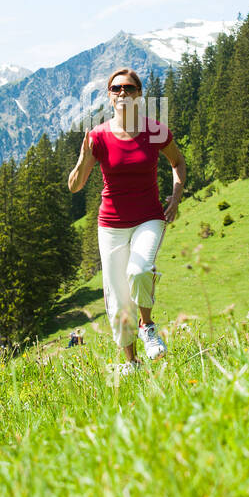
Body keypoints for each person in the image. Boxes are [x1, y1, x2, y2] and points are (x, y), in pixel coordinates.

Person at [67, 67, 186, 375]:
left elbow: (178, 162)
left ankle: (148, 326)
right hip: (111, 224)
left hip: (149, 216)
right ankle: (131, 362)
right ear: (110, 96)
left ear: (139, 95)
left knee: (140, 269)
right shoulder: (98, 136)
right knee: (118, 297)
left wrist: (177, 194)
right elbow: (75, 186)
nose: (123, 93)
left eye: (129, 88)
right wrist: (83, 155)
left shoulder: (155, 131)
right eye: (117, 88)